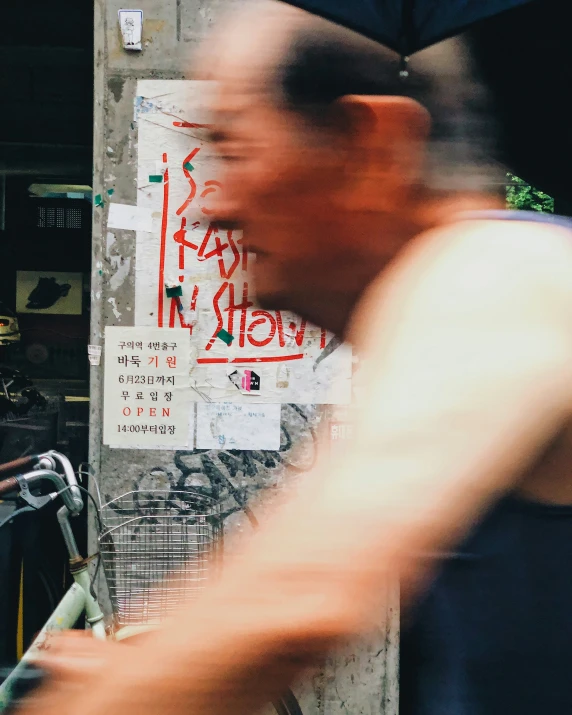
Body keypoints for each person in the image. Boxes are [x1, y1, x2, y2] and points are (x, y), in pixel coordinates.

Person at [20, 1, 572, 714]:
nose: (208, 208)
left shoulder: (497, 272)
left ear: (368, 142)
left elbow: (297, 596)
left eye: (236, 149)